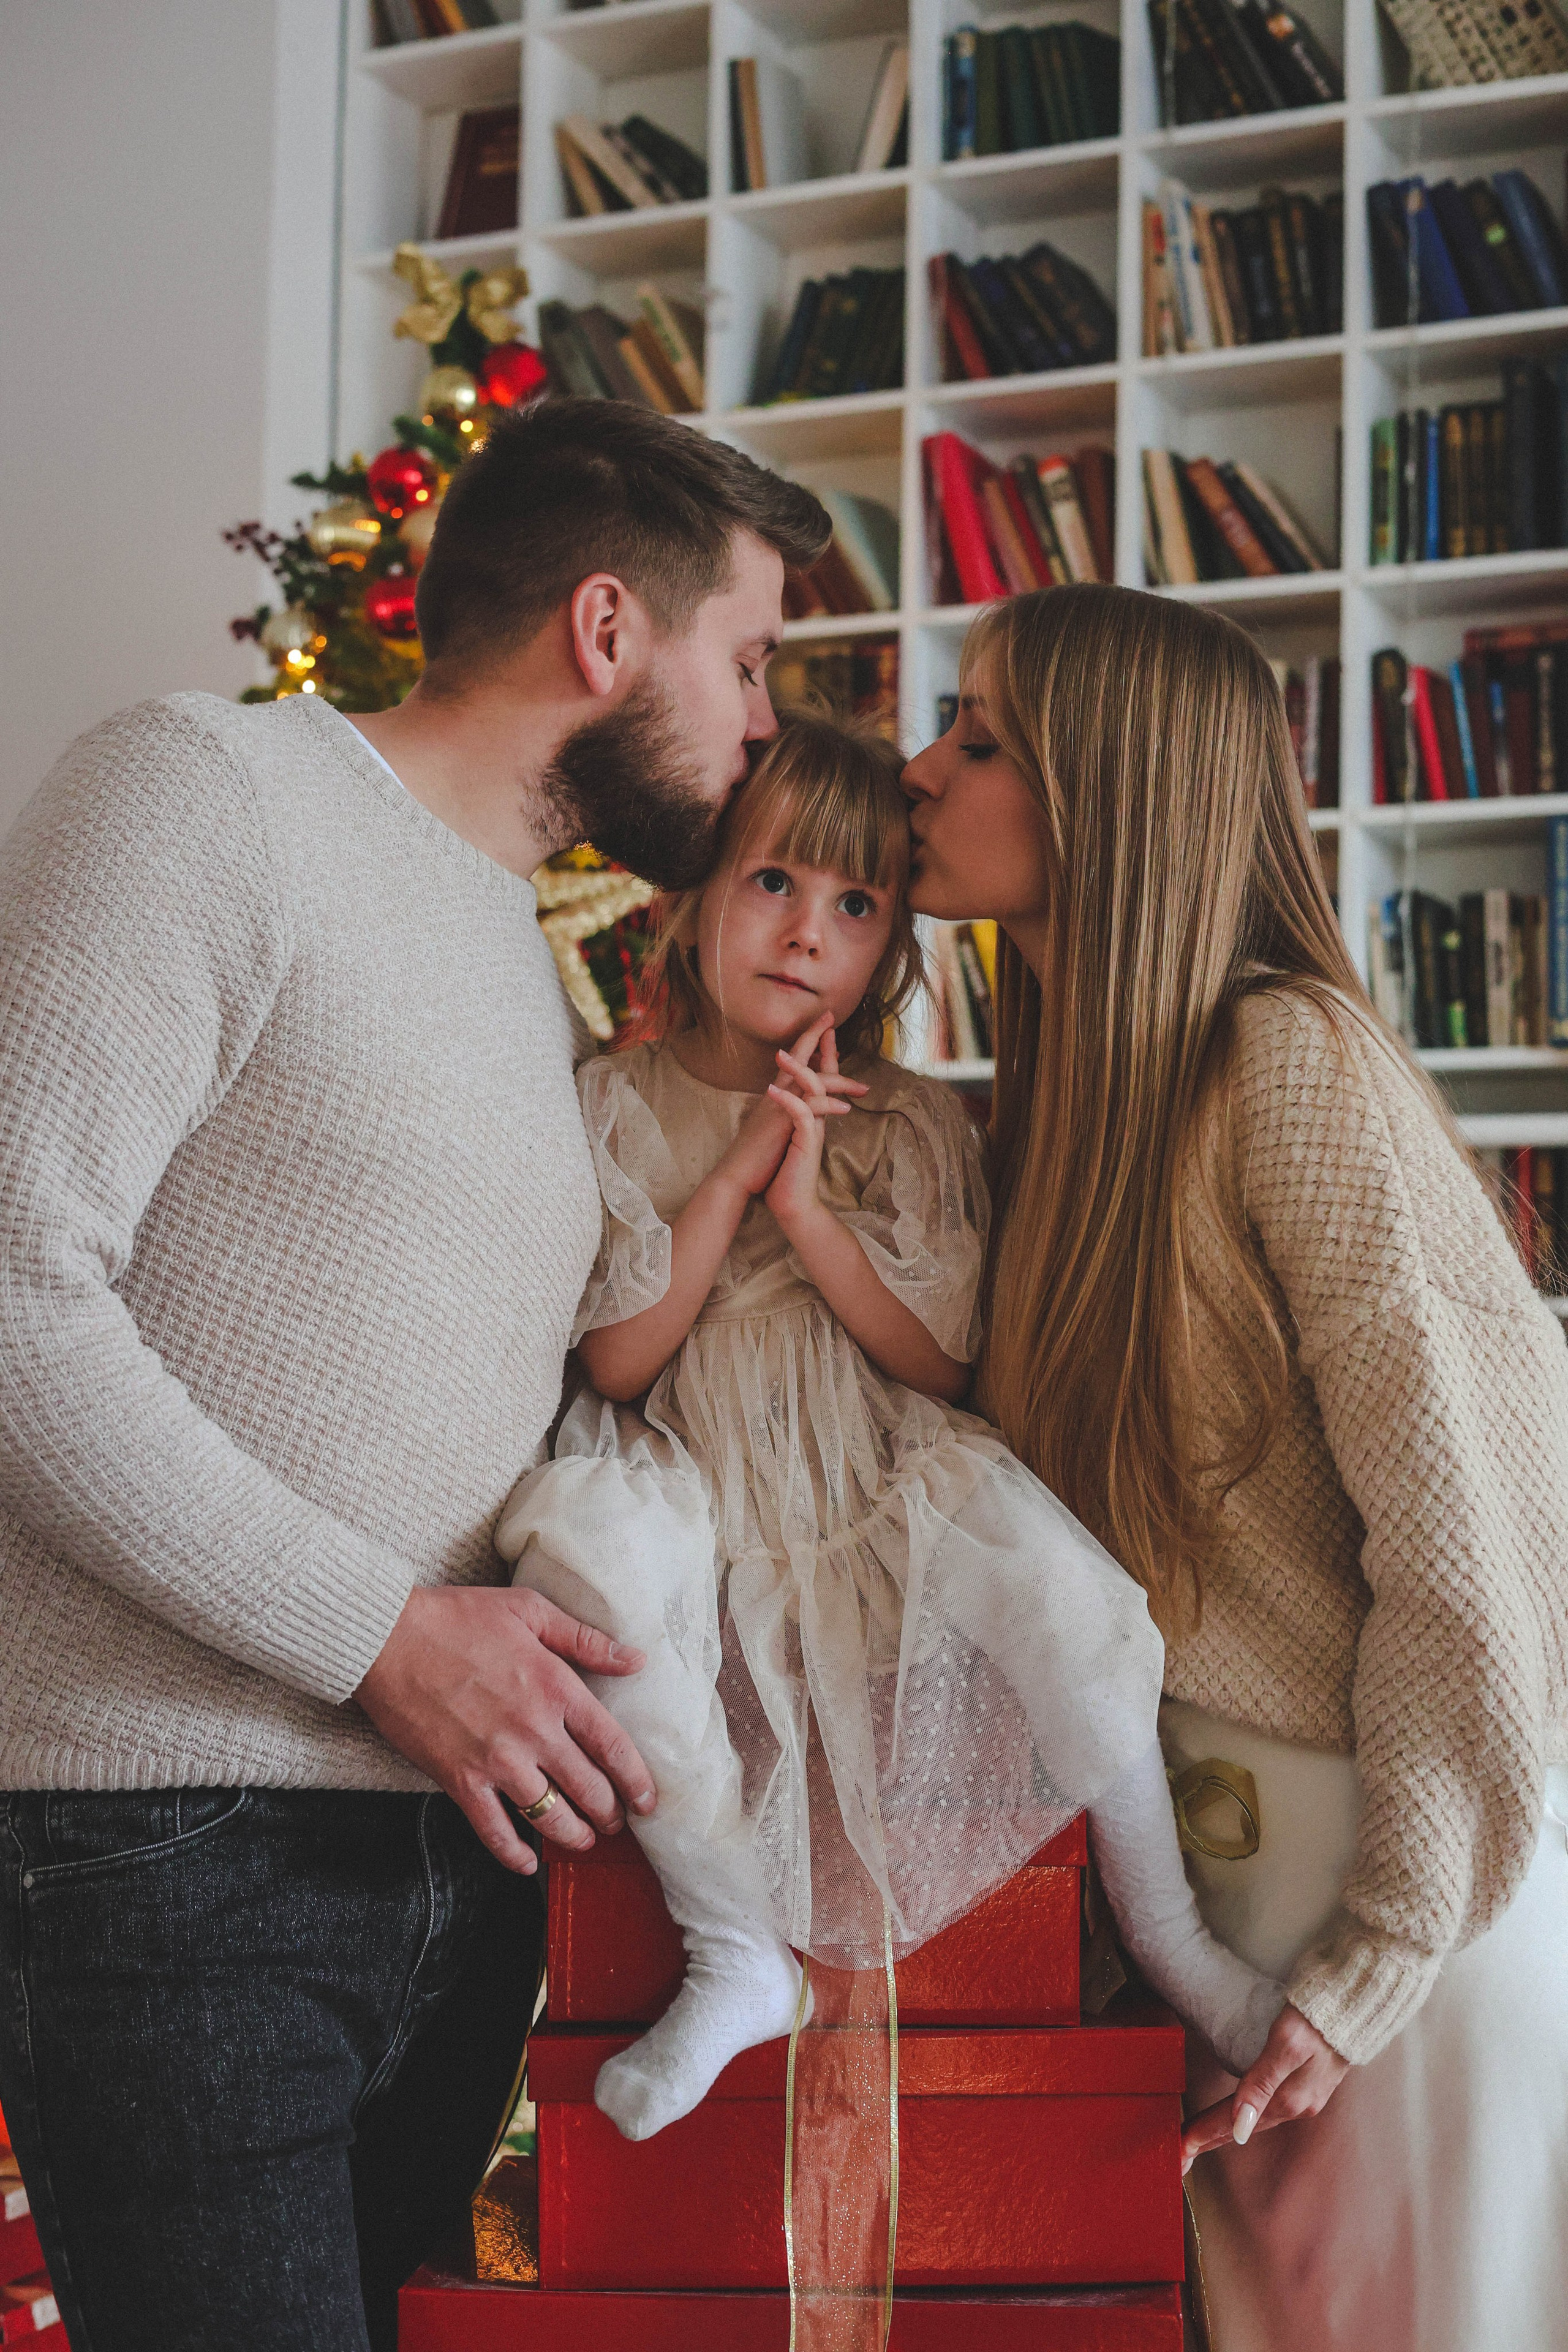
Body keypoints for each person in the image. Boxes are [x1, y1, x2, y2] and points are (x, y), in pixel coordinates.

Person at [0, 398, 831, 2352]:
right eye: (754, 659)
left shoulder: (513, 949)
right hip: (177, 1839)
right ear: (610, 635)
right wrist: (381, 1631)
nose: (768, 724)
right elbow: (16, 1296)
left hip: (453, 1859)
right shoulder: (199, 791)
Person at [902, 580, 1568, 2352]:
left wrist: (1381, 1949)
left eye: (973, 740)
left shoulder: (1291, 1061)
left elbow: (1477, 1538)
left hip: (1395, 1913)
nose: (916, 774)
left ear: (1104, 792)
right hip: (1225, 1919)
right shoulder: (1056, 1113)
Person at [496, 709, 1284, 2147]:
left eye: (855, 904)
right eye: (772, 884)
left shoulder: (909, 1118)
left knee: (1071, 1602)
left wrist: (807, 1206)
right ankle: (735, 1953)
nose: (806, 933)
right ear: (689, 903)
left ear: (892, 953)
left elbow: (940, 1361)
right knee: (589, 1570)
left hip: (871, 1462)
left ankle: (1170, 1942)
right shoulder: (615, 1099)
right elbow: (615, 1362)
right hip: (695, 1473)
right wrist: (735, 1178)